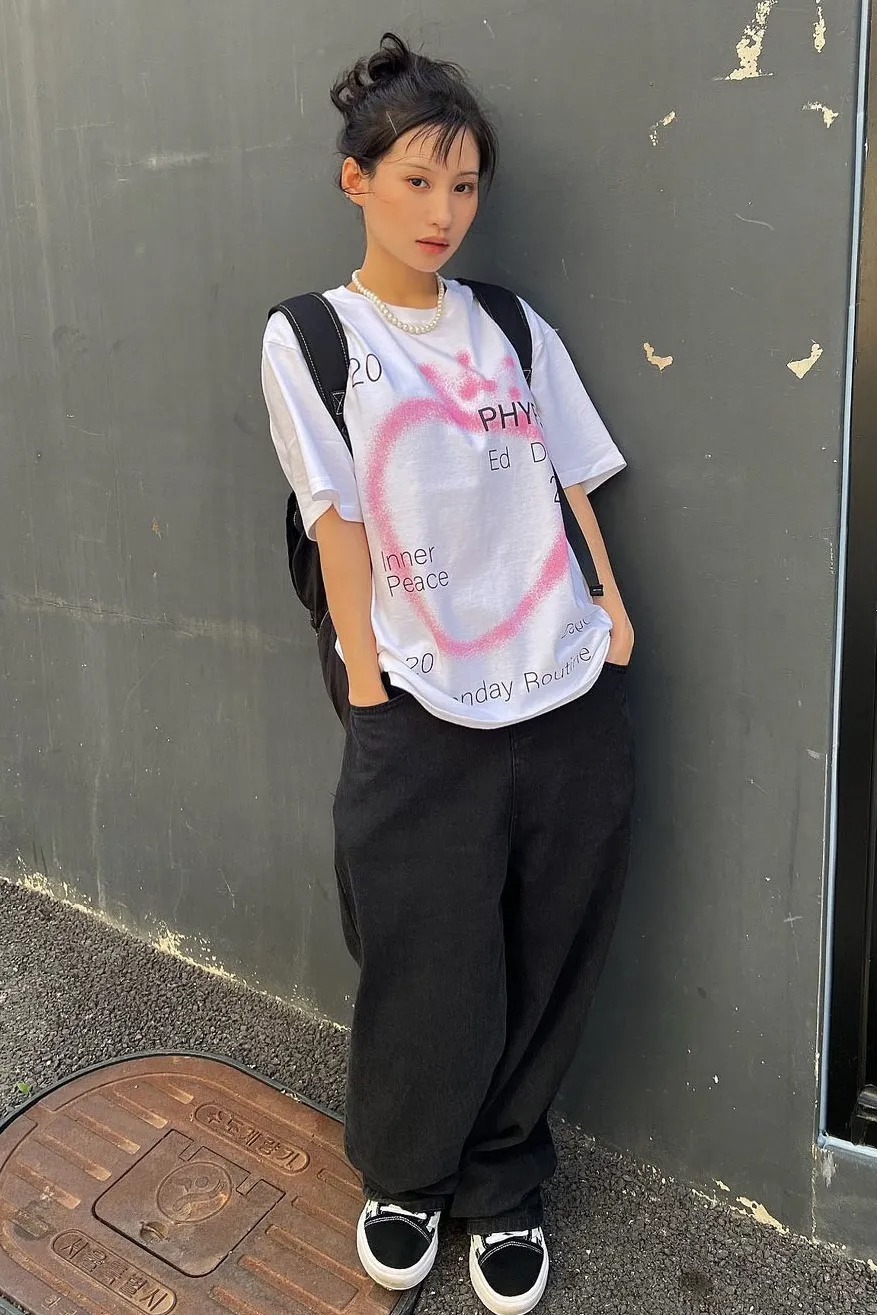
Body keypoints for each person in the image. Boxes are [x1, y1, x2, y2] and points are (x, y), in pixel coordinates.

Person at [260, 31, 635, 1315]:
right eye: (416, 179)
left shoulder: (511, 326)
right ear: (356, 179)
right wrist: (367, 681)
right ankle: (409, 1176)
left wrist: (613, 611)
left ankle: (503, 1179)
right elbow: (336, 521)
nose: (443, 211)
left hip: (566, 688)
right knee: (425, 957)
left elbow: (570, 477)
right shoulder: (315, 336)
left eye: (463, 185)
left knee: (550, 945)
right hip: (420, 702)